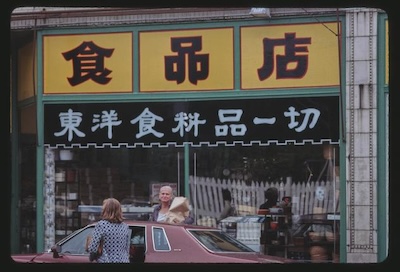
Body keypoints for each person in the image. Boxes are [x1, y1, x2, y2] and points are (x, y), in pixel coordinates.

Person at [88, 198, 131, 263]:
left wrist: (93, 256)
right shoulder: (125, 226)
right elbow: (126, 248)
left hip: (106, 261)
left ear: (106, 210)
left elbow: (93, 248)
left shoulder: (101, 225)